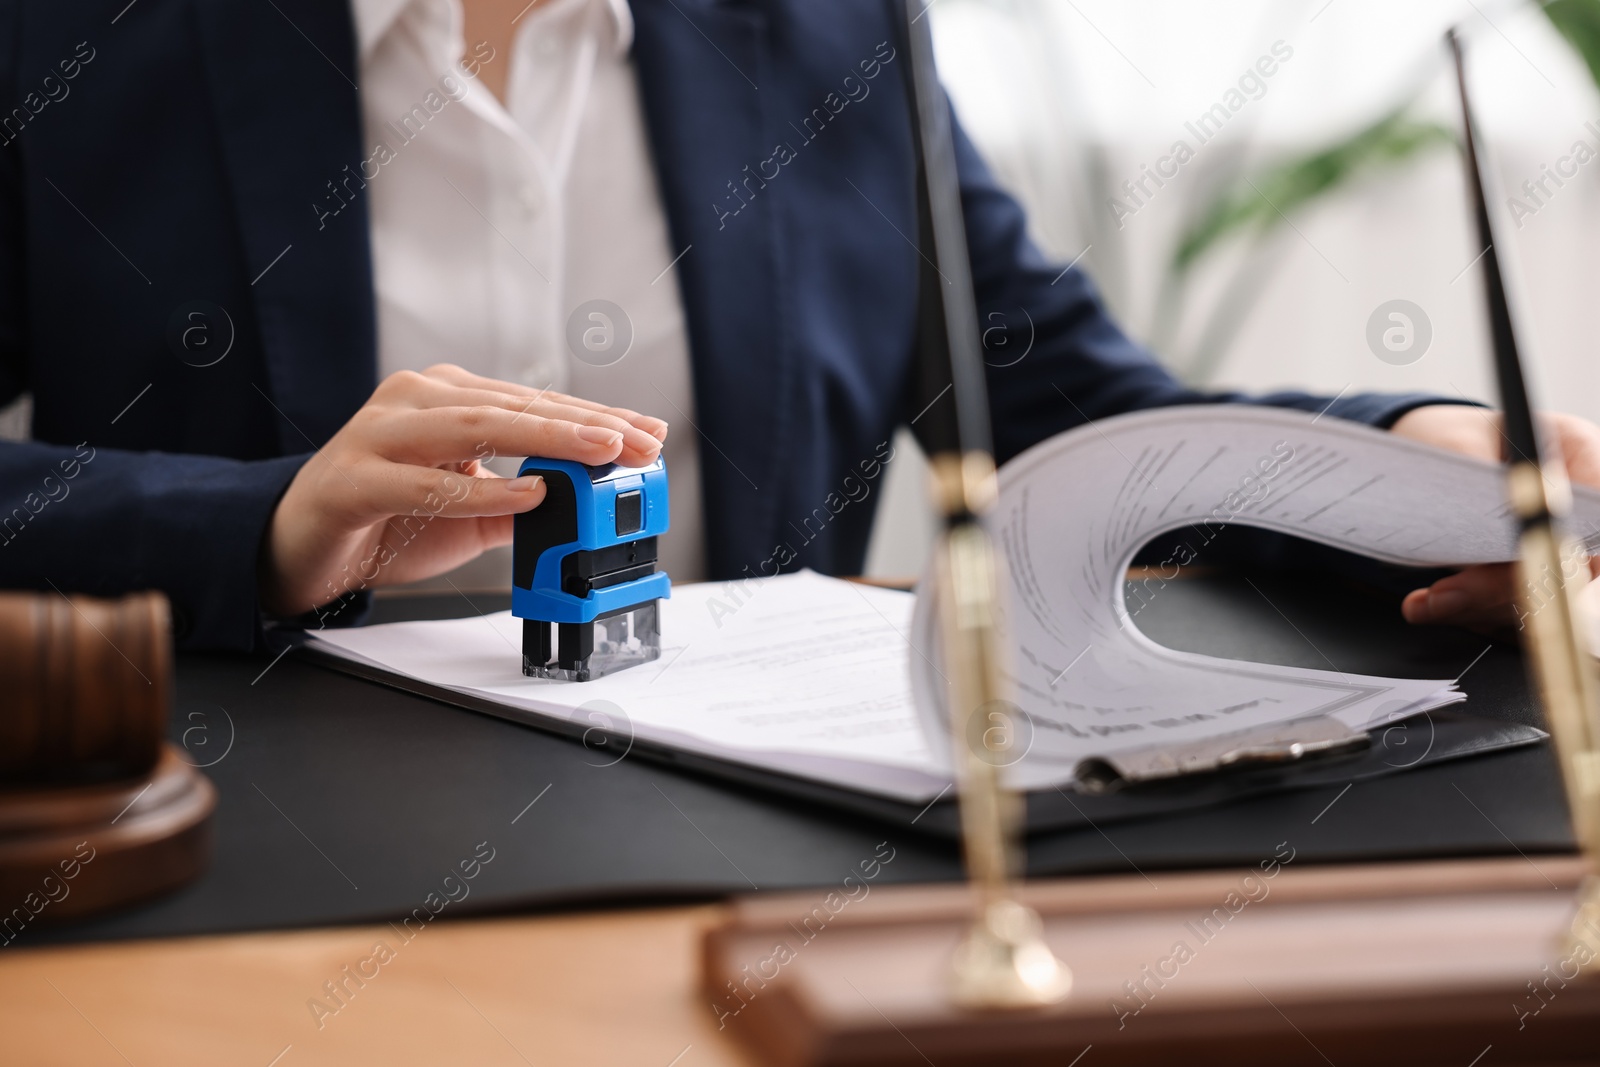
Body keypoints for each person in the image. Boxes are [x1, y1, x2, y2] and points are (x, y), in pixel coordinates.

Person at [0, 0, 1592, 650]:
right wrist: (263, 523)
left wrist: (1403, 460)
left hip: (747, 859)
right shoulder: (68, 41)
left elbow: (1075, 411)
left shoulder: (826, 28)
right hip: (257, 848)